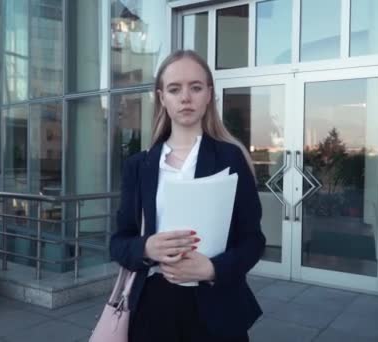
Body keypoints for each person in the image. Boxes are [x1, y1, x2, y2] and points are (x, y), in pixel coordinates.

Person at [109, 50, 266, 342]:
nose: (185, 97)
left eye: (195, 87)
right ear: (162, 98)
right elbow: (119, 242)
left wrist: (213, 268)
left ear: (209, 95)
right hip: (152, 309)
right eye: (174, 89)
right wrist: (146, 248)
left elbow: (253, 240)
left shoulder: (231, 157)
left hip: (217, 306)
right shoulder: (138, 166)